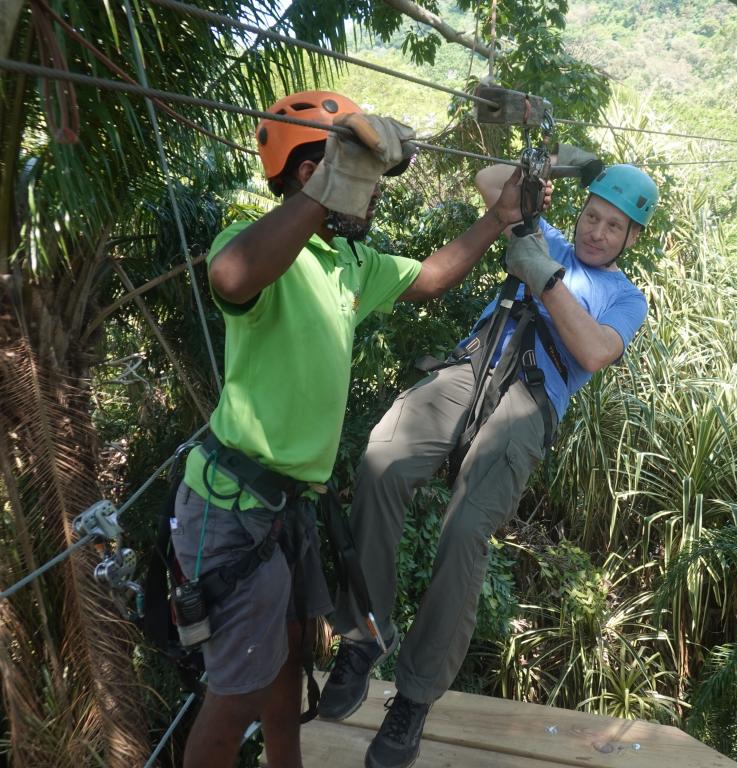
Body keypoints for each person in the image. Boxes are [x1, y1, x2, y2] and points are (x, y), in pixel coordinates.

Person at [169, 90, 527, 768]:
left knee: (289, 664)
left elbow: (427, 279)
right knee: (234, 698)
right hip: (233, 509)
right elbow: (231, 274)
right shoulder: (270, 251)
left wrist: (495, 219)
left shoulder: (348, 264)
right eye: (361, 185)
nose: (374, 199)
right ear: (312, 178)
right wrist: (328, 191)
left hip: (284, 514)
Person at [322, 145, 659, 768]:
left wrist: (547, 279)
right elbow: (489, 179)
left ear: (630, 238)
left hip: (531, 398)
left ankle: (414, 699)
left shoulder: (623, 297)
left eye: (614, 225)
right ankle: (363, 637)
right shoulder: (547, 233)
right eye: (592, 215)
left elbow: (591, 352)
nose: (597, 231)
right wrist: (551, 164)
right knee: (381, 460)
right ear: (580, 212)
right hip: (470, 368)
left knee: (467, 529)